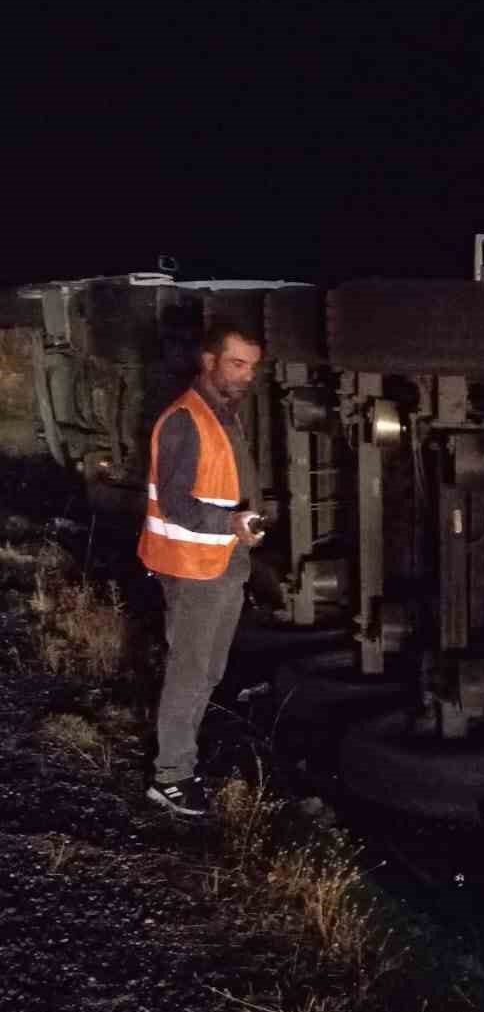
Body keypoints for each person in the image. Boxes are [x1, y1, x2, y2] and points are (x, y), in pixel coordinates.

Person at [139, 322, 265, 816]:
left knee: (208, 670)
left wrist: (239, 532)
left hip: (223, 562)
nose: (247, 375)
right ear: (208, 360)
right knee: (190, 671)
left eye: (253, 366)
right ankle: (169, 777)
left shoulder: (225, 414)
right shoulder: (185, 420)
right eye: (237, 363)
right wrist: (231, 523)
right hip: (194, 567)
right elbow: (173, 503)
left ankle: (181, 762)